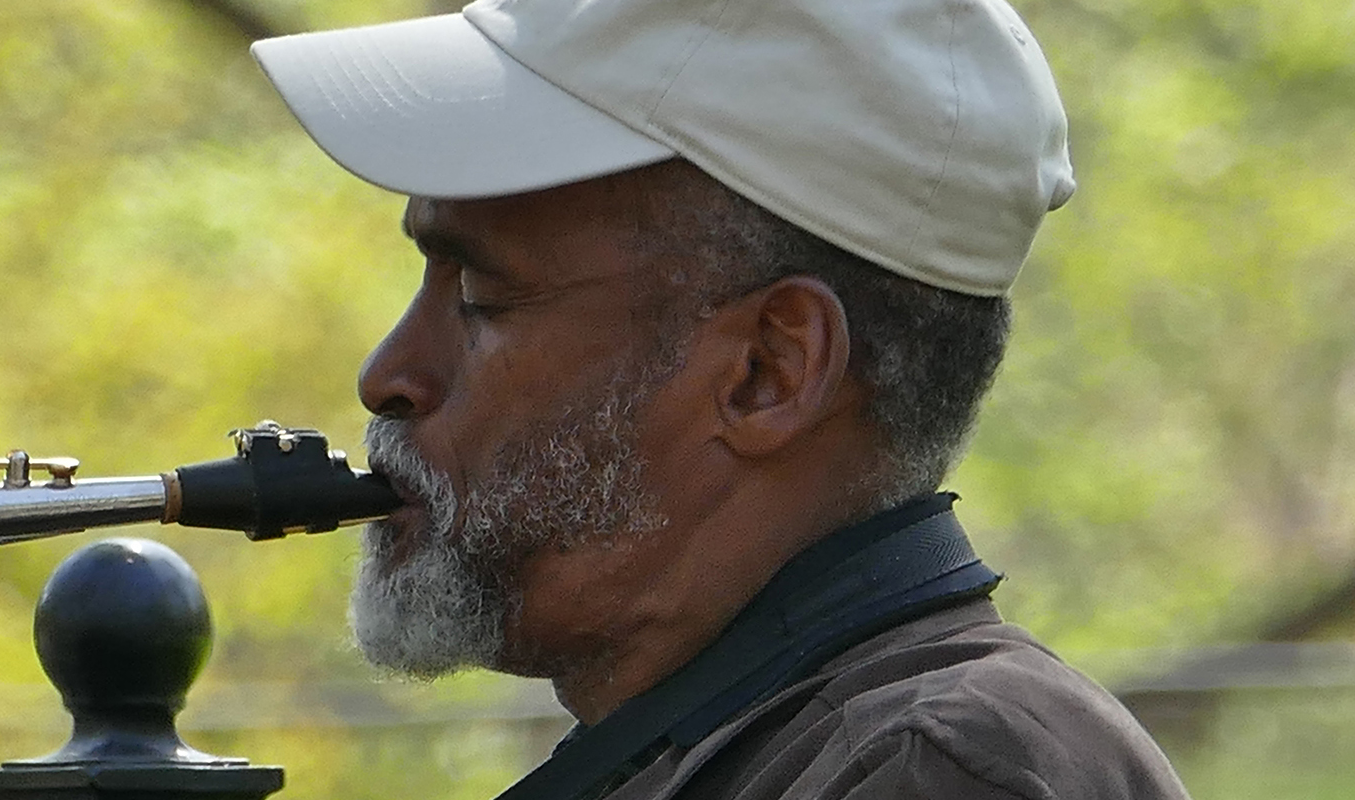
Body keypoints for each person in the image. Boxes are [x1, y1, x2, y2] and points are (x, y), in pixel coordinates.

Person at [251, 0, 1192, 798]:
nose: (388, 373)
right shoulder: (743, 743)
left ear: (768, 373)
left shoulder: (935, 769)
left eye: (483, 300)